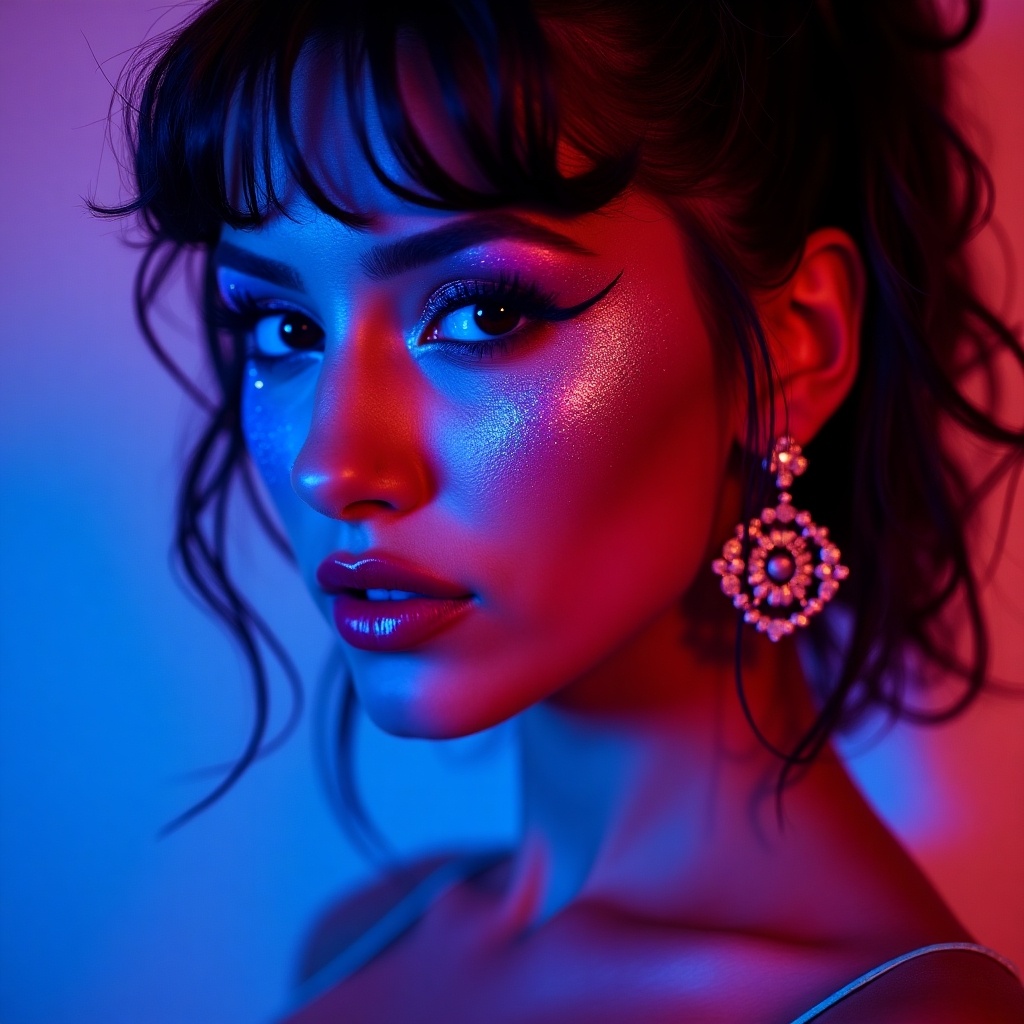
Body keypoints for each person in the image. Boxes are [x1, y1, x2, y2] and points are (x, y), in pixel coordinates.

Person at [98, 0, 1024, 1020]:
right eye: (283, 323)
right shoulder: (357, 943)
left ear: (793, 345)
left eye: (483, 312)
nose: (332, 463)